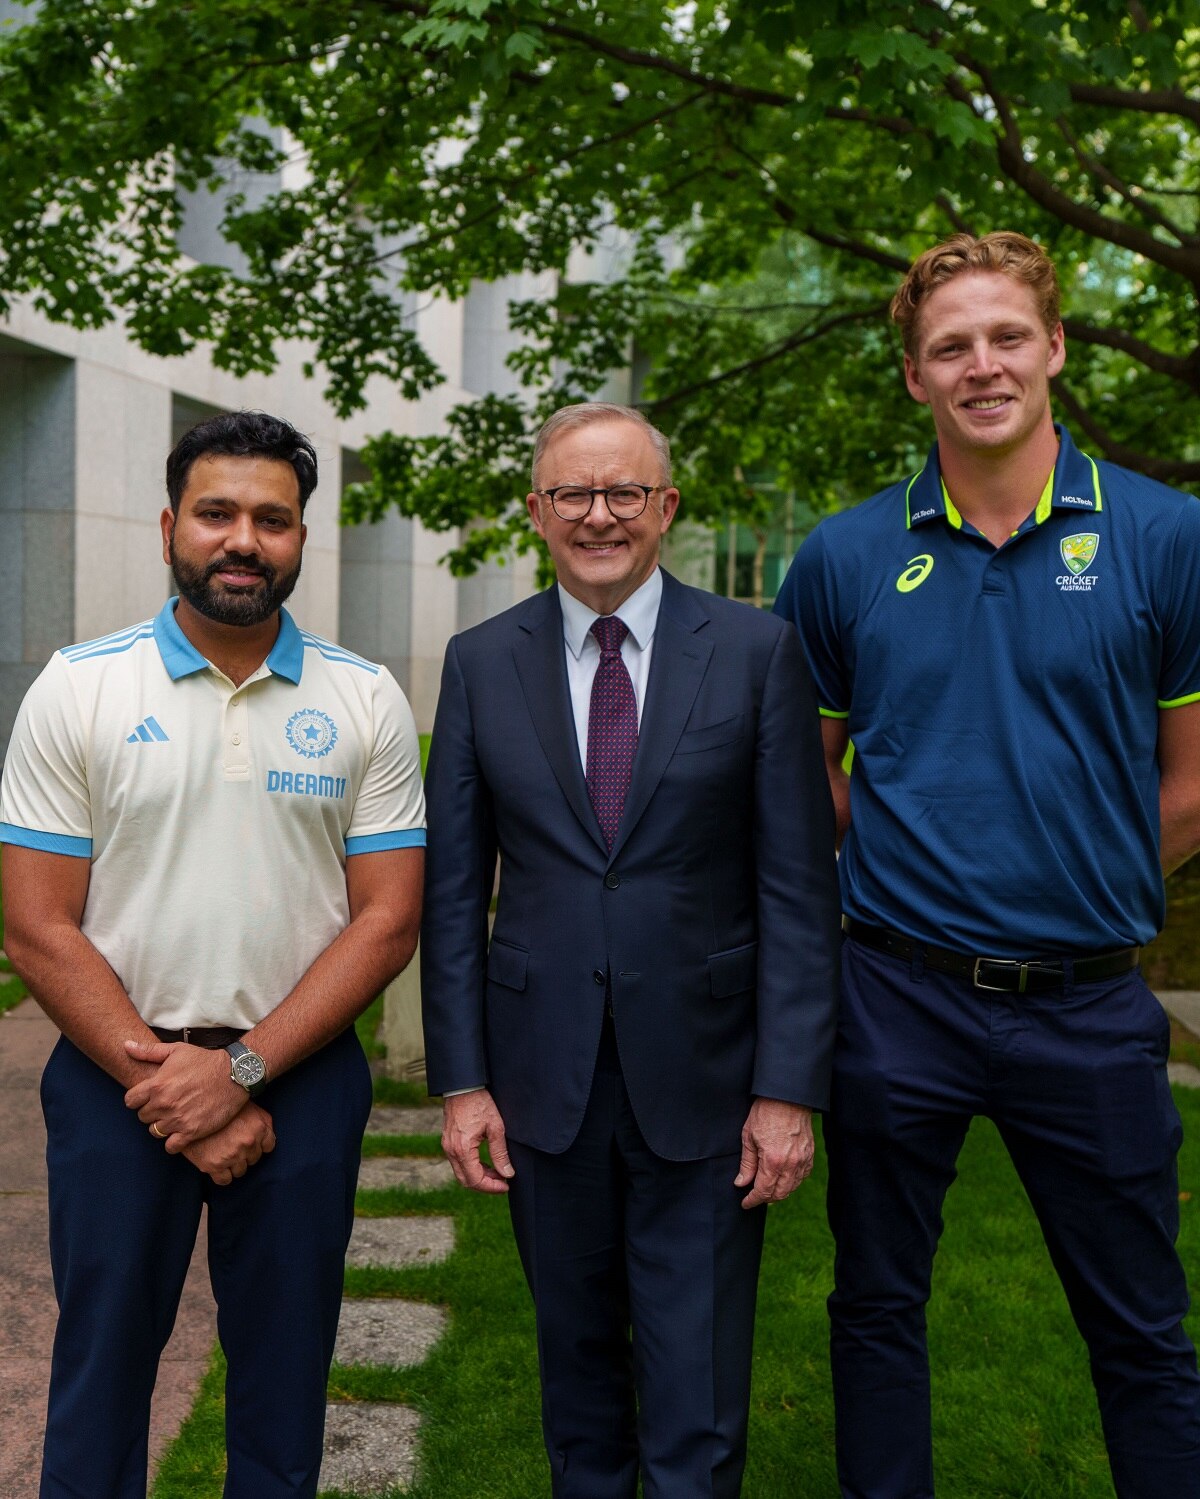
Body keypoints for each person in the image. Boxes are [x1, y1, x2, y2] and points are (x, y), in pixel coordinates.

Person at [775, 231, 1200, 1498]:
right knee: (877, 1305)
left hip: (1092, 1001)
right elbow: (807, 766)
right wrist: (913, 865)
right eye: (949, 345)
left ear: (1056, 346)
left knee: (1142, 1327)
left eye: (1007, 335)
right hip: (898, 996)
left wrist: (1098, 881)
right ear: (913, 377)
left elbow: (1192, 776)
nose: (983, 364)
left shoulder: (1169, 535)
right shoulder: (845, 557)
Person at [0, 410, 426, 1499]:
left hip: (304, 1079)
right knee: (99, 1376)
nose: (244, 538)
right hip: (116, 1081)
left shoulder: (363, 696)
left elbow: (384, 921)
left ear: (300, 538)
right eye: (218, 512)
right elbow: (37, 923)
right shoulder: (78, 686)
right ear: (168, 526)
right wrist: (166, 1079)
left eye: (272, 519)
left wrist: (238, 1072)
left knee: (287, 1386)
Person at [420, 402, 840, 1497]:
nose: (597, 515)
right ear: (536, 511)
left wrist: (788, 1088)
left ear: (666, 507)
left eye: (622, 493)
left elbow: (798, 886)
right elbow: (456, 892)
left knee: (695, 1399)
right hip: (539, 1081)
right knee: (578, 1383)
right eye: (572, 493)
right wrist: (461, 1080)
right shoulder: (479, 662)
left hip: (709, 1080)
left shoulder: (756, 652)